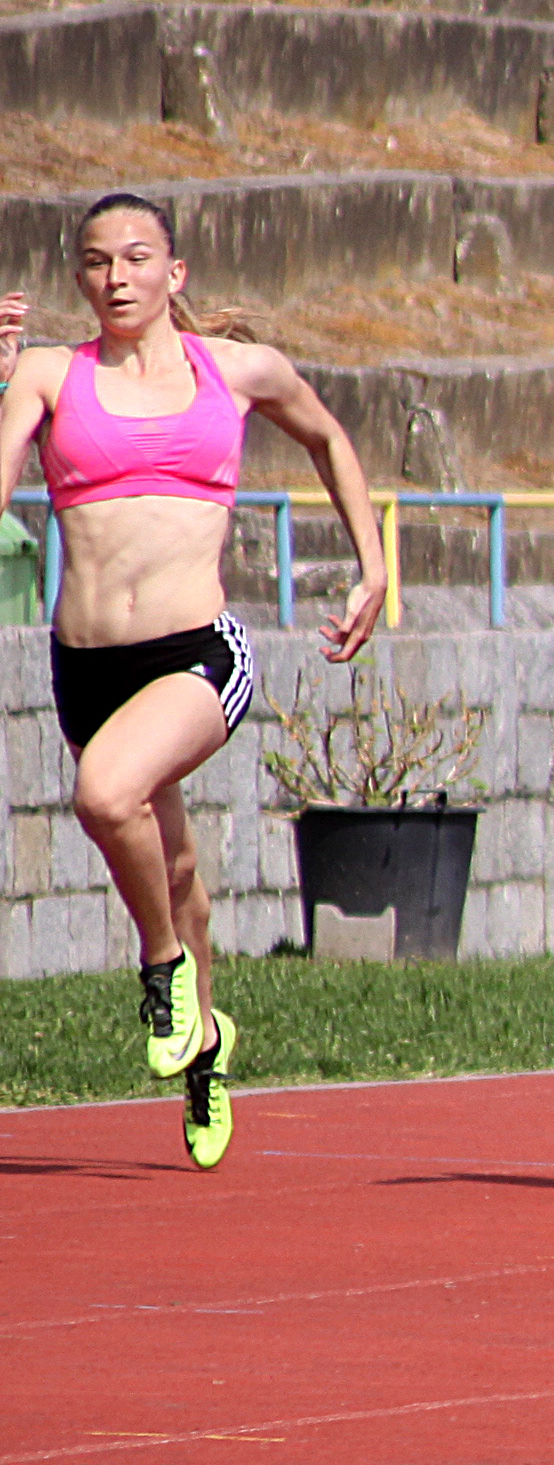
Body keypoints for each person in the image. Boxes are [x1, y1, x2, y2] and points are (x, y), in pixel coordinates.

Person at [0, 199, 390, 1169]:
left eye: (137, 258)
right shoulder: (47, 374)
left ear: (174, 273)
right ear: (80, 279)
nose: (117, 277)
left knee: (105, 795)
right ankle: (208, 1046)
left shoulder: (237, 372)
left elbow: (329, 440)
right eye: (97, 262)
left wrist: (374, 567)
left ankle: (163, 968)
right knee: (174, 871)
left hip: (197, 655)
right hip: (88, 665)